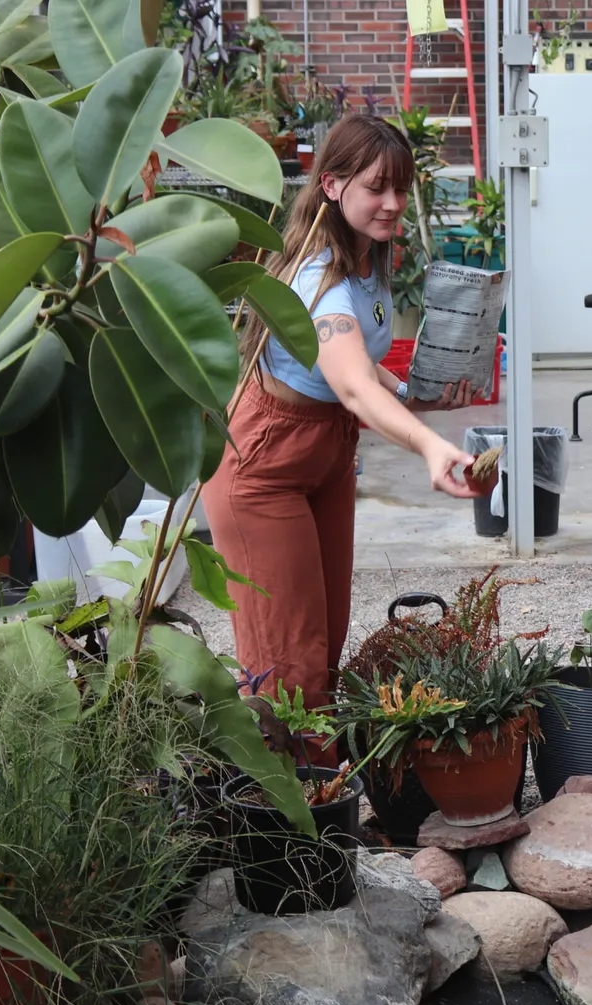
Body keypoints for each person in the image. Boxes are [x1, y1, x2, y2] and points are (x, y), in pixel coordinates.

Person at [205, 113, 477, 749]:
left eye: (401, 188)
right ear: (331, 185)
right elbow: (351, 383)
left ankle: (324, 813)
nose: (392, 204)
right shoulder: (317, 282)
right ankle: (286, 831)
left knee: (322, 646)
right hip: (264, 467)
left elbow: (358, 365)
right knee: (287, 669)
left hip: (325, 454)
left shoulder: (366, 258)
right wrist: (428, 443)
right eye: (376, 188)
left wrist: (413, 395)